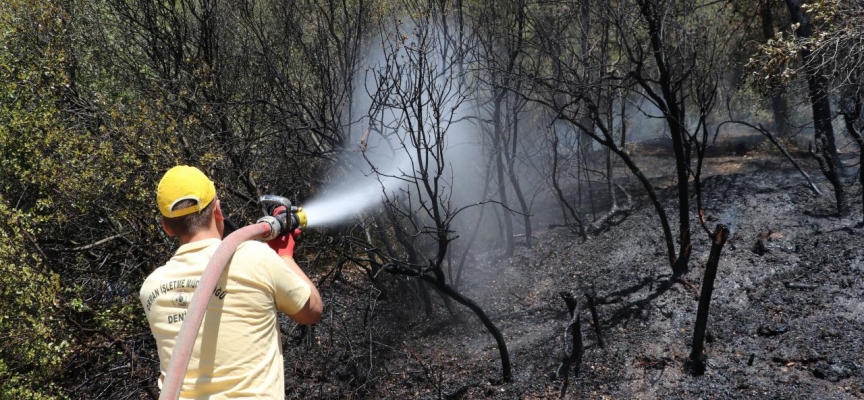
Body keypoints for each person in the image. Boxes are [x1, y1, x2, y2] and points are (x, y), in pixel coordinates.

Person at [139, 165, 322, 399]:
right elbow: (311, 311)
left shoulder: (151, 287)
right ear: (218, 210)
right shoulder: (254, 257)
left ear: (166, 227)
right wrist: (284, 255)